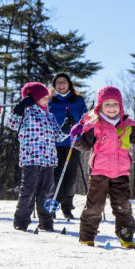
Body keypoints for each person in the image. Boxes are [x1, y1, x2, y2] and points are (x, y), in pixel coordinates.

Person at [70, 86, 135, 249]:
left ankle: (126, 236)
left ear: (120, 106)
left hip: (121, 173)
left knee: (123, 206)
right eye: (107, 104)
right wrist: (76, 137)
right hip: (99, 173)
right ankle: (86, 237)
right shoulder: (94, 125)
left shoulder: (127, 124)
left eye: (115, 104)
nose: (111, 108)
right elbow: (85, 146)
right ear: (99, 106)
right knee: (94, 206)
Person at [8, 82, 74, 232]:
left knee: (47, 193)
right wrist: (20, 107)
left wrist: (66, 126)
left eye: (47, 97)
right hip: (31, 159)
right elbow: (12, 123)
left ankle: (46, 221)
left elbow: (58, 136)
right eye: (44, 97)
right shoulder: (27, 113)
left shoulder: (49, 116)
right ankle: (22, 220)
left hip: (49, 160)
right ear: (34, 98)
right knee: (28, 191)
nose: (47, 100)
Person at [47, 73, 88, 220]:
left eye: (63, 82)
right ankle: (53, 206)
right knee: (55, 177)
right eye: (58, 83)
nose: (61, 85)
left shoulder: (78, 100)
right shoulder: (50, 101)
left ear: (69, 84)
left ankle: (67, 207)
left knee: (70, 177)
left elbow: (86, 118)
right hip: (54, 143)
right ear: (54, 86)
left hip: (73, 144)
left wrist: (80, 129)